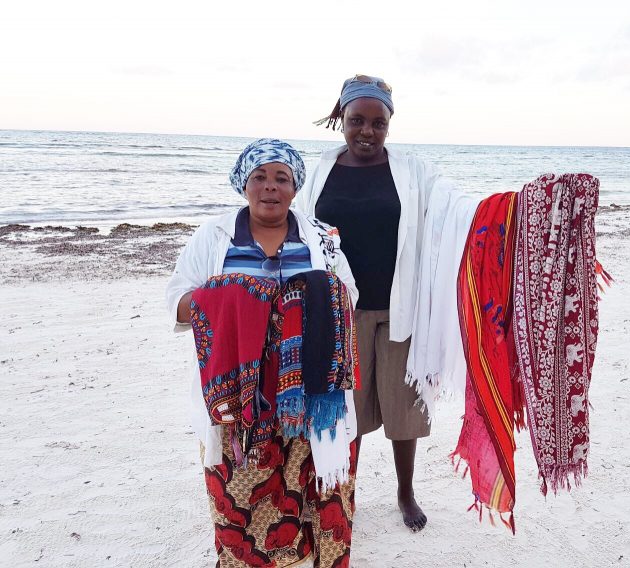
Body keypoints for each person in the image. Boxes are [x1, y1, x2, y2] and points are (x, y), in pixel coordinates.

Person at [166, 138, 359, 567]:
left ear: (295, 188)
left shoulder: (321, 238)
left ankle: (310, 554)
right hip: (238, 390)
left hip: (310, 387)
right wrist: (230, 296)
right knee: (240, 483)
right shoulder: (213, 236)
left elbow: (349, 294)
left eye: (281, 178)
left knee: (314, 480)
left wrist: (304, 299)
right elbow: (177, 302)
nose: (270, 187)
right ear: (243, 184)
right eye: (259, 177)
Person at [298, 76, 442, 532]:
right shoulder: (318, 171)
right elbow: (296, 228)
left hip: (400, 305)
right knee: (346, 409)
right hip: (340, 312)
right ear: (341, 118)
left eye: (378, 123)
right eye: (356, 120)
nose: (367, 131)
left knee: (404, 408)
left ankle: (405, 492)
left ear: (389, 123)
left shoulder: (413, 170)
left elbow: (450, 212)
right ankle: (344, 493)